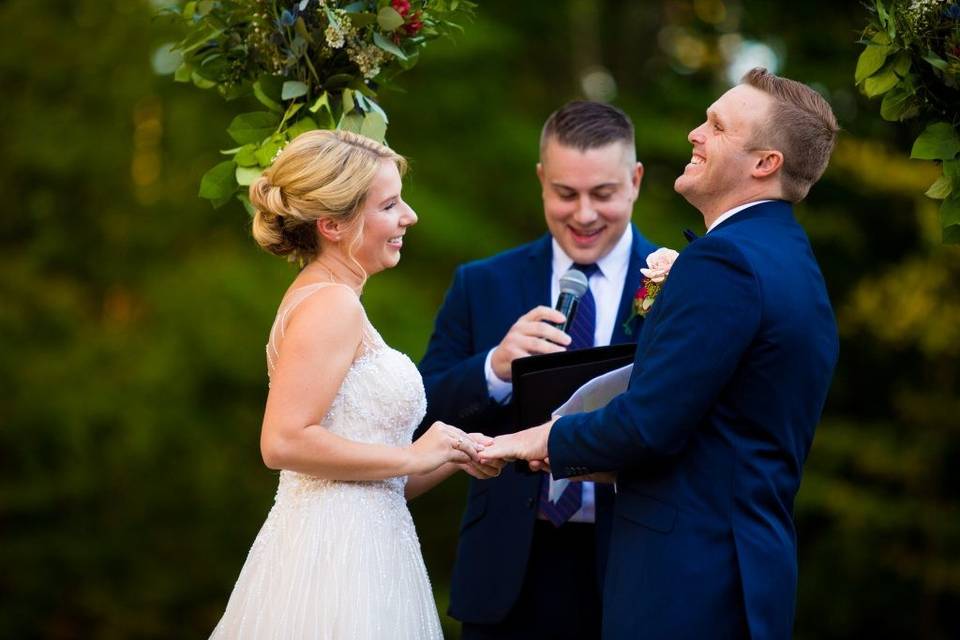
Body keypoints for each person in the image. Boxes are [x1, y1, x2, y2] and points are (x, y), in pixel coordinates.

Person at [481, 68, 841, 640]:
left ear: (765, 163)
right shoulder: (790, 258)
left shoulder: (726, 262)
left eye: (717, 126)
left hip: (689, 583)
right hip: (742, 569)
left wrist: (540, 438)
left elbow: (650, 423)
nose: (695, 134)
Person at [209, 130, 503, 640]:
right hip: (334, 562)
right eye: (390, 205)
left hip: (369, 548)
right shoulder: (331, 304)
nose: (408, 217)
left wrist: (450, 453)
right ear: (332, 224)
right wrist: (414, 455)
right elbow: (283, 441)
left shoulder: (335, 299)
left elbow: (375, 482)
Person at [418, 101, 659, 639]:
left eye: (603, 194)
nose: (584, 215)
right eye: (565, 194)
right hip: (506, 570)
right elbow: (419, 414)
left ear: (636, 180)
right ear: (541, 181)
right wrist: (495, 368)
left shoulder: (681, 286)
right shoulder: (482, 285)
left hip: (632, 566)